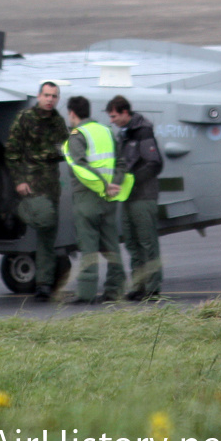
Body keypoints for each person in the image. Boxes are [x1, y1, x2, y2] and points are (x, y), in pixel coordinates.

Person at [4, 81, 68, 301]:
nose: (50, 99)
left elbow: (64, 149)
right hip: (31, 185)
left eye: (54, 96)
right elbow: (12, 151)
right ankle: (16, 208)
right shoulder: (25, 118)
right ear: (39, 96)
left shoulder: (58, 122)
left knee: (47, 236)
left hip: (51, 187)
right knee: (45, 224)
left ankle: (43, 284)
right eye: (47, 95)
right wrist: (19, 180)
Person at [62, 95, 127, 303]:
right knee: (111, 246)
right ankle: (115, 290)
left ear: (72, 113)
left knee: (88, 246)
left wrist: (102, 184)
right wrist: (114, 183)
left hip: (88, 197)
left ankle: (86, 293)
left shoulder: (77, 135)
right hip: (109, 199)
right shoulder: (106, 131)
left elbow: (80, 166)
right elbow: (121, 162)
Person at [107, 95, 164, 300]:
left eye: (114, 116)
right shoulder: (124, 134)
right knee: (131, 242)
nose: (111, 120)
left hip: (143, 196)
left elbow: (155, 163)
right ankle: (138, 286)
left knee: (147, 242)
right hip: (129, 197)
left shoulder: (142, 131)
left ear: (124, 112)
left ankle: (152, 287)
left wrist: (132, 180)